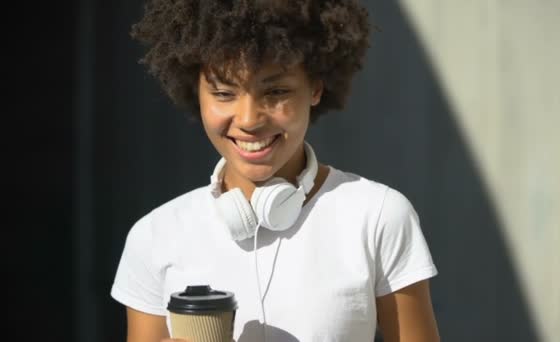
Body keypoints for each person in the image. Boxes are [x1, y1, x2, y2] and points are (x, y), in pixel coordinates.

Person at [111, 0, 440, 341]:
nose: (249, 120)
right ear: (196, 91)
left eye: (276, 91)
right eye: (224, 93)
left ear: (315, 87)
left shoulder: (378, 216)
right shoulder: (154, 236)